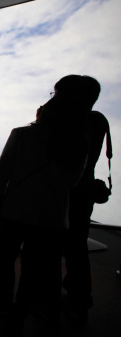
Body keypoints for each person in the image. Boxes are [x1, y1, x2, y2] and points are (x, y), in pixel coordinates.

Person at [0, 93, 89, 330]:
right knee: (33, 269)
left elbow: (2, 175)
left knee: (6, 260)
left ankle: (4, 305)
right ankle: (20, 312)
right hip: (51, 218)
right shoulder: (79, 144)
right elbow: (72, 183)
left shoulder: (22, 135)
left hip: (14, 211)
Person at [56, 75, 111, 322]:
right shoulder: (98, 121)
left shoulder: (70, 123)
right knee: (77, 247)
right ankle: (80, 300)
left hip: (60, 192)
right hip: (84, 193)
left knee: (49, 244)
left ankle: (46, 298)